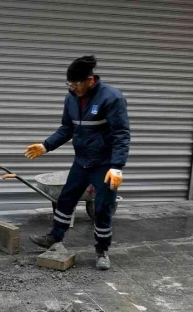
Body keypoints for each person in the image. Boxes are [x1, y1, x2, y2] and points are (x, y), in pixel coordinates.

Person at [24, 55, 130, 270]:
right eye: (69, 84)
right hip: (81, 161)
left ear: (90, 80)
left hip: (104, 163)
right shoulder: (71, 98)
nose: (73, 88)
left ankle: (102, 249)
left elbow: (121, 134)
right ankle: (55, 237)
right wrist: (46, 145)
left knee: (102, 207)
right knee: (65, 199)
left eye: (76, 84)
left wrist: (117, 166)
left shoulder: (112, 98)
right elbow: (67, 128)